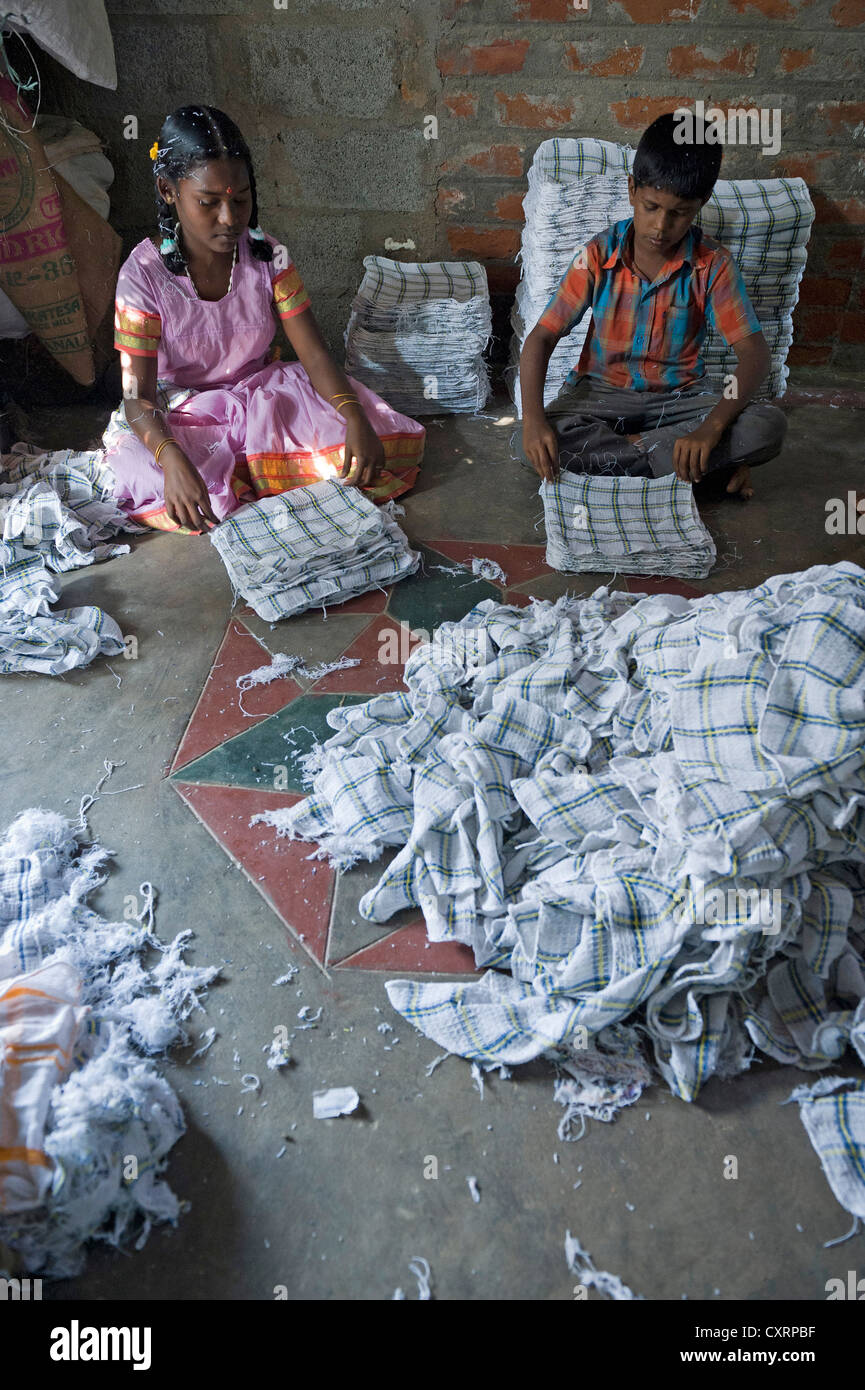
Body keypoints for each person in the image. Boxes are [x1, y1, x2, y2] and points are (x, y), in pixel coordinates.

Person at [106, 105, 425, 534]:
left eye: (240, 199)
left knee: (365, 446)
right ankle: (238, 473)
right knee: (167, 477)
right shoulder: (142, 276)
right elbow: (137, 399)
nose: (230, 218)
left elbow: (313, 355)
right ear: (168, 190)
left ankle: (252, 474)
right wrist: (172, 457)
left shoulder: (268, 256)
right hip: (181, 416)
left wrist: (353, 416)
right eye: (209, 202)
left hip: (261, 399)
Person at [517, 112, 787, 501]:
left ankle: (643, 460)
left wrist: (709, 429)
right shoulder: (596, 255)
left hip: (681, 401)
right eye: (651, 207)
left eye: (679, 213)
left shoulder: (713, 264)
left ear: (701, 204)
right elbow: (542, 336)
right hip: (600, 397)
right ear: (631, 190)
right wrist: (533, 421)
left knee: (766, 425)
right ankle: (694, 469)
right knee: (530, 443)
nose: (661, 226)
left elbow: (754, 354)